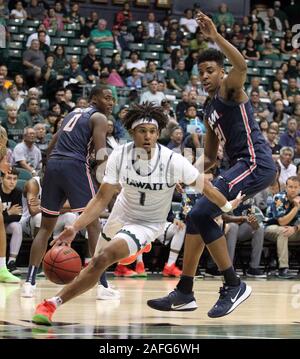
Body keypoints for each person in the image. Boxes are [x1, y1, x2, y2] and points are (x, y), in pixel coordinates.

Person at [31, 102, 244, 325]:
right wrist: (74, 227)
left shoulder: (173, 160)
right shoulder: (119, 155)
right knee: (96, 264)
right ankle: (129, 251)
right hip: (121, 213)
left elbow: (208, 189)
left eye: (152, 131)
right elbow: (101, 198)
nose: (148, 136)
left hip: (147, 223)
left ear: (158, 133)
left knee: (102, 259)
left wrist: (228, 206)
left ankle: (50, 305)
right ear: (132, 133)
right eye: (142, 131)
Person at [147, 12, 276, 318]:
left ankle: (234, 285)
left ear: (221, 74)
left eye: (210, 70)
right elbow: (208, 157)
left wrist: (216, 37)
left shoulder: (230, 91)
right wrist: (186, 173)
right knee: (195, 218)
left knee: (203, 212)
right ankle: (185, 291)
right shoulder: (208, 110)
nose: (204, 76)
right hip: (238, 166)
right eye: (201, 72)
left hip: (255, 162)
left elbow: (242, 65)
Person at [21, 86, 113, 298]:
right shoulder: (98, 117)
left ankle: (29, 283)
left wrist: (49, 170)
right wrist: (107, 178)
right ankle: (103, 286)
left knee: (45, 227)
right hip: (74, 165)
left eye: (112, 99)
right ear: (93, 99)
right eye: (106, 98)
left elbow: (52, 143)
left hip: (54, 164)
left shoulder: (72, 113)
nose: (110, 102)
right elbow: (100, 154)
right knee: (93, 223)